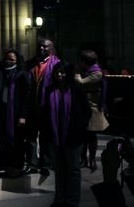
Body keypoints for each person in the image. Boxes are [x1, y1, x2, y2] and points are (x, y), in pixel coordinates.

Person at [47, 62, 90, 206]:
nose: (59, 75)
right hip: (55, 136)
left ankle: (72, 202)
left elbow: (86, 112)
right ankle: (59, 200)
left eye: (63, 72)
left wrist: (80, 129)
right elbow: (45, 113)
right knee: (59, 170)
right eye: (57, 72)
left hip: (73, 137)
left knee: (73, 170)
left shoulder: (76, 89)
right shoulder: (50, 90)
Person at [28, 38, 60, 174]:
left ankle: (46, 163)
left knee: (46, 137)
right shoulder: (30, 64)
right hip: (32, 105)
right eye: (40, 46)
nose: (41, 49)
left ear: (51, 48)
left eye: (45, 47)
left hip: (47, 106)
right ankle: (32, 163)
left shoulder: (57, 64)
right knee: (31, 137)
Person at [0, 49, 32, 177]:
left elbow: (26, 96)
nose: (9, 61)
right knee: (6, 142)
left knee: (18, 142)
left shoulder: (22, 74)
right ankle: (8, 167)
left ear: (17, 60)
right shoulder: (3, 72)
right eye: (7, 58)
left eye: (12, 59)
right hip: (5, 112)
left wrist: (22, 115)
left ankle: (17, 167)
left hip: (17, 113)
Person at [74, 50, 106, 172]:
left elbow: (80, 82)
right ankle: (83, 158)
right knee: (83, 133)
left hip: (92, 105)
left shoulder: (96, 72)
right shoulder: (87, 70)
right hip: (83, 104)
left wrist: (76, 72)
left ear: (84, 61)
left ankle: (91, 158)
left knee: (91, 134)